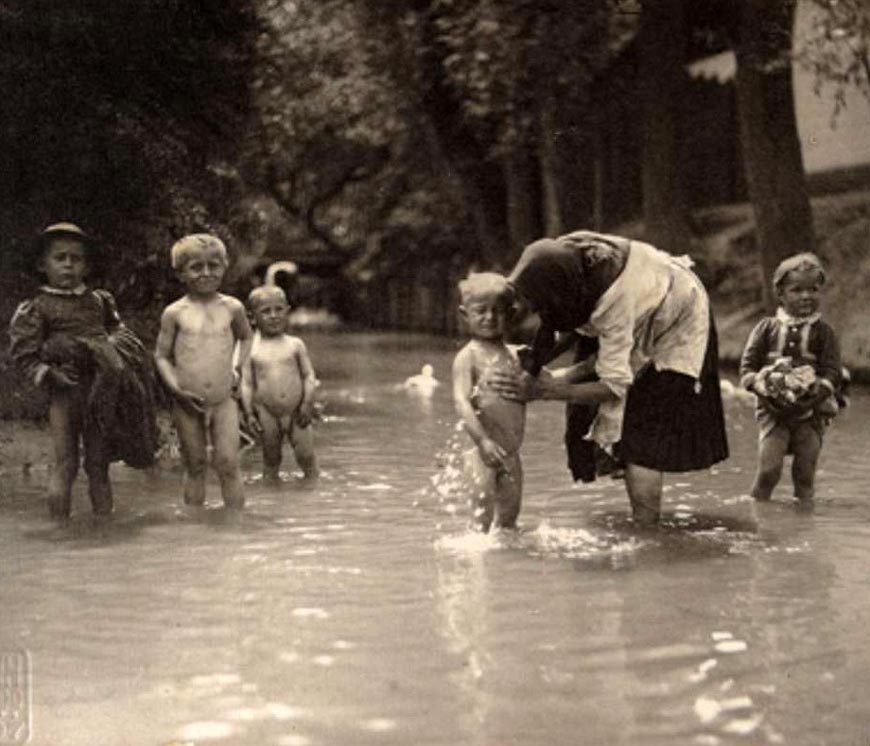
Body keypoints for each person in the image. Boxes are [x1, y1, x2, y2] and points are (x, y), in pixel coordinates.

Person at [491, 230, 729, 526]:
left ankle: (646, 532)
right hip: (641, 303)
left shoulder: (614, 299)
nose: (537, 311)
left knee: (641, 433)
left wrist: (545, 390)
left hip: (677, 316)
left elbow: (613, 387)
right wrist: (535, 364)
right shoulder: (564, 257)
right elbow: (562, 318)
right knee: (589, 402)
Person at [8, 222, 159, 518]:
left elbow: (119, 332)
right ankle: (59, 528)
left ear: (86, 266)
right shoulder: (37, 307)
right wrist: (51, 372)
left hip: (101, 391)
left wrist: (108, 349)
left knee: (98, 464)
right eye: (60, 258)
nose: (68, 265)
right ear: (43, 264)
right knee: (66, 463)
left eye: (75, 259)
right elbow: (23, 354)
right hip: (64, 393)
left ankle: (103, 527)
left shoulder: (99, 301)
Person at [155, 234, 253, 508]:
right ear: (181, 273)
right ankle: (194, 529)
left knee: (228, 463)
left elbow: (246, 338)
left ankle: (235, 527)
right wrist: (175, 388)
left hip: (224, 400)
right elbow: (161, 356)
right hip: (187, 401)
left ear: (224, 266)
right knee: (195, 464)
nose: (206, 273)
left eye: (214, 265)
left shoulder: (232, 308)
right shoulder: (175, 312)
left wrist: (238, 366)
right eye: (197, 267)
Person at [739, 253, 842, 502]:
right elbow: (747, 369)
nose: (806, 296)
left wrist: (816, 395)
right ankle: (758, 518)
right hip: (773, 412)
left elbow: (832, 372)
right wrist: (762, 388)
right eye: (797, 290)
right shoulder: (766, 328)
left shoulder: (824, 332)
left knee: (805, 476)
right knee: (768, 472)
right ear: (781, 293)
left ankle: (804, 529)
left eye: (813, 289)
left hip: (812, 414)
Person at [451, 272, 525, 532]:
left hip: (512, 453)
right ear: (465, 314)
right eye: (481, 311)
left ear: (512, 314)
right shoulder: (468, 356)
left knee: (509, 519)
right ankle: (478, 568)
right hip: (479, 452)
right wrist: (482, 441)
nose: (490, 318)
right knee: (480, 521)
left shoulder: (517, 355)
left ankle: (506, 568)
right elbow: (461, 401)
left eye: (499, 311)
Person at [239, 285, 318, 481]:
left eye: (278, 309)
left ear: (287, 311)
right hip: (267, 413)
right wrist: (249, 413)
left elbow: (308, 375)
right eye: (266, 311)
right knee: (271, 459)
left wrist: (307, 403)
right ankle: (271, 492)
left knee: (306, 456)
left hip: (297, 411)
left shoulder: (295, 344)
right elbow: (247, 383)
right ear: (252, 317)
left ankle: (312, 491)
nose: (273, 315)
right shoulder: (251, 349)